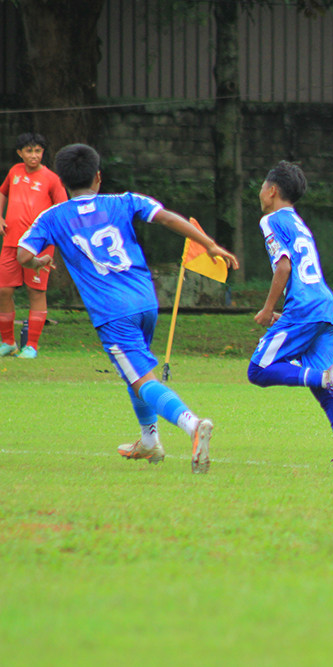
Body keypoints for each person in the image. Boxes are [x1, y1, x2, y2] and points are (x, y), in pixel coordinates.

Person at [17, 143, 238, 473]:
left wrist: (40, 260)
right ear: (98, 177)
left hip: (112, 312)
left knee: (141, 380)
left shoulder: (53, 216)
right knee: (135, 373)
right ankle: (149, 441)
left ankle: (193, 425)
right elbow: (166, 218)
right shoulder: (124, 201)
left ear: (62, 182)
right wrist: (208, 244)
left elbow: (22, 256)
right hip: (145, 302)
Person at [246, 161, 333, 469]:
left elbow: (284, 266)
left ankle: (327, 377)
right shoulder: (298, 223)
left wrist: (268, 309)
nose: (260, 191)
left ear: (272, 191)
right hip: (324, 306)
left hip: (306, 307)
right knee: (319, 385)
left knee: (258, 370)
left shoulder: (270, 221)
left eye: (262, 186)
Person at [0, 132, 68, 358]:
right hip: (11, 242)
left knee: (36, 291)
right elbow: (2, 192)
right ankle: (8, 342)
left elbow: (63, 210)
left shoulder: (52, 178)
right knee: (3, 290)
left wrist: (55, 241)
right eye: (29, 151)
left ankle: (32, 346)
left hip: (39, 245)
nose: (34, 155)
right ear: (20, 153)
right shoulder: (14, 172)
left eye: (38, 151)